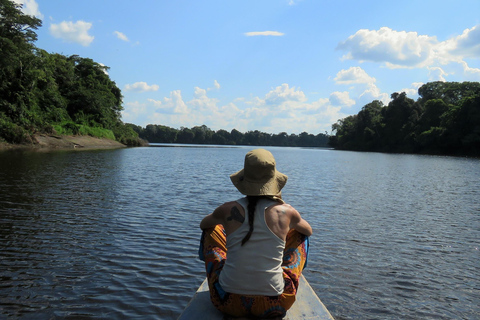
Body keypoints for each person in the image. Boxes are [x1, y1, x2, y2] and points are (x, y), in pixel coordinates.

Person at [199, 148, 313, 319]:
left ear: (245, 179)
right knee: (300, 233)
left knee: (213, 228)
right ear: (273, 181)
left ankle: (233, 268)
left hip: (226, 301)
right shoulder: (286, 211)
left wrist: (225, 224)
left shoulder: (227, 209)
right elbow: (309, 231)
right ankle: (279, 268)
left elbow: (203, 224)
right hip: (276, 304)